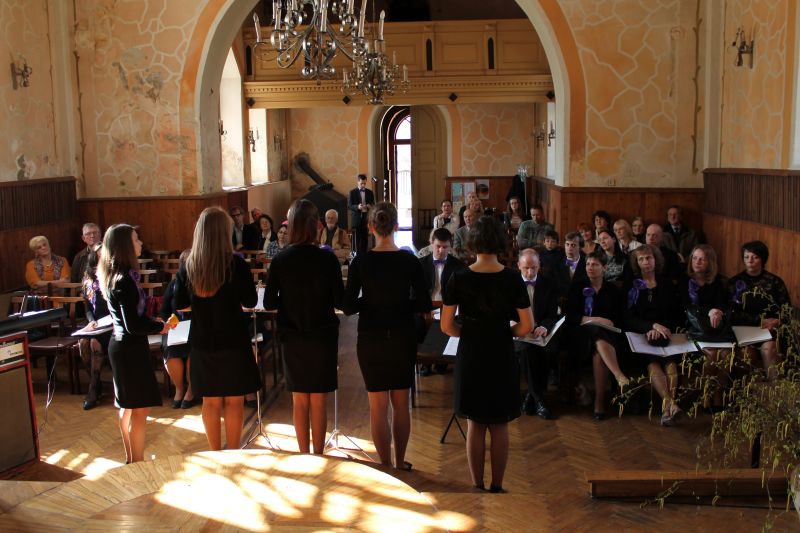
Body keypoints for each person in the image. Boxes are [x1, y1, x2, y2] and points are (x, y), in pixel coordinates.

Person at [441, 215, 533, 492]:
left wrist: (470, 332)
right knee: (499, 423)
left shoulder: (459, 277)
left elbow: (447, 326)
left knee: (475, 423)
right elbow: (526, 326)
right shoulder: (513, 278)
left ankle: (477, 484)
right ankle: (497, 485)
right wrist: (503, 333)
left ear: (473, 242)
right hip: (501, 352)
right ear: (501, 242)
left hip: (471, 352)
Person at [343, 202, 432, 471]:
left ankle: (384, 464)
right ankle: (399, 461)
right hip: (402, 336)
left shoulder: (361, 262)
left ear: (371, 227)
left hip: (371, 337)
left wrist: (370, 302)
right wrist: (401, 304)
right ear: (395, 226)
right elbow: (424, 303)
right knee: (401, 405)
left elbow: (348, 306)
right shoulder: (410, 261)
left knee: (378, 406)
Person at [174, 207, 260, 450]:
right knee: (234, 401)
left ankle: (215, 452)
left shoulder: (189, 266)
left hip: (203, 341)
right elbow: (250, 301)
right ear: (224, 233)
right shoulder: (236, 264)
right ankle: (232, 452)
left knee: (210, 402)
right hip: (234, 340)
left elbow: (179, 304)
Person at [265, 199, 344, 454]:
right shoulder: (327, 259)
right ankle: (318, 455)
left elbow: (268, 303)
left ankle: (303, 456)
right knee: (319, 400)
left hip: (293, 335)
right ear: (315, 226)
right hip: (322, 336)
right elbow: (340, 301)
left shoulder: (281, 260)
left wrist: (289, 299)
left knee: (299, 400)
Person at [98, 224, 170, 463]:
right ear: (125, 246)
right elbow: (133, 325)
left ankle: (131, 459)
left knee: (128, 407)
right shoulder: (125, 280)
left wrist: (152, 321)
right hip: (129, 349)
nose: (140, 243)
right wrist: (160, 327)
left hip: (122, 346)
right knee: (139, 409)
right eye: (136, 239)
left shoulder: (115, 275)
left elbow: (132, 318)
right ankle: (137, 462)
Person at [623, 245, 683, 426]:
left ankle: (667, 410)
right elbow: (628, 317)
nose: (645, 262)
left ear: (656, 260)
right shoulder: (632, 285)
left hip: (665, 335)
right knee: (653, 362)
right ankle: (670, 405)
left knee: (671, 363)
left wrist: (662, 328)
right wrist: (650, 327)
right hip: (642, 337)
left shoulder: (667, 284)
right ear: (637, 263)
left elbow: (676, 314)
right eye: (641, 259)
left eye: (648, 258)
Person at [564, 251, 628, 420]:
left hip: (607, 336)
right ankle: (617, 375)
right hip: (580, 335)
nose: (590, 268)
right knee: (596, 333)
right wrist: (595, 319)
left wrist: (610, 322)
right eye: (588, 264)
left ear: (604, 268)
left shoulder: (612, 290)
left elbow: (619, 318)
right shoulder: (577, 286)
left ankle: (599, 403)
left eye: (595, 264)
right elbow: (570, 316)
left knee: (599, 349)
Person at [728, 240, 791, 380]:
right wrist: (758, 320)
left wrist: (777, 321)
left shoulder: (775, 282)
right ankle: (744, 391)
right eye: (746, 257)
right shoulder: (735, 282)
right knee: (746, 354)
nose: (749, 261)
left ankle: (775, 388)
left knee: (769, 349)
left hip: (768, 331)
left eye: (755, 257)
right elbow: (731, 313)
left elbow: (787, 311)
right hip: (744, 332)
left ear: (763, 259)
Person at [679, 244, 729, 411]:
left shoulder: (716, 281)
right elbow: (686, 307)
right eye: (694, 258)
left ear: (710, 262)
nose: (697, 262)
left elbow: (722, 304)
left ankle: (718, 394)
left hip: (714, 328)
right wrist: (709, 311)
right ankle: (706, 393)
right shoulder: (685, 280)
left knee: (726, 355)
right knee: (712, 355)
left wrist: (718, 311)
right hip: (692, 327)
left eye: (702, 259)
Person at [513, 249, 559, 420]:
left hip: (541, 332)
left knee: (546, 350)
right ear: (519, 265)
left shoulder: (549, 284)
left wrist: (545, 327)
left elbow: (552, 314)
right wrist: (517, 326)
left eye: (534, 268)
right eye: (526, 268)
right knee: (527, 350)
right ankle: (538, 398)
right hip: (518, 332)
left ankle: (530, 396)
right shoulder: (511, 284)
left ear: (539, 266)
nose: (530, 272)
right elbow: (506, 313)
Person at [418, 227, 467, 376]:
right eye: (438, 246)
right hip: (427, 306)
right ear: (431, 244)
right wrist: (426, 308)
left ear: (450, 247)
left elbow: (461, 294)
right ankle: (425, 362)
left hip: (448, 307)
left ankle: (442, 361)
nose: (441, 250)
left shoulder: (458, 266)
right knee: (420, 322)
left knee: (450, 322)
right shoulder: (421, 264)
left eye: (445, 247)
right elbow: (416, 292)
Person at [160, 250, 196, 410]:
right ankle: (179, 389)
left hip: (195, 326)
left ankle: (191, 390)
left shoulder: (201, 283)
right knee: (170, 350)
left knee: (193, 349)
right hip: (176, 326)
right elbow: (164, 310)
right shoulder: (174, 284)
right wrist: (168, 322)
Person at [78, 244, 111, 410]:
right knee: (83, 343)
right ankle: (96, 383)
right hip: (97, 323)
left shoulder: (112, 275)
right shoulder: (88, 279)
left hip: (112, 323)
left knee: (94, 343)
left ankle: (93, 389)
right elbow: (88, 308)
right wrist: (91, 321)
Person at [552, 231, 587, 297]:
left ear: (580, 248)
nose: (569, 248)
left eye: (573, 245)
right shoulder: (556, 261)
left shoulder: (587, 262)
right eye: (567, 244)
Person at [348, 174, 375, 255]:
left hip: (366, 217)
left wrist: (370, 206)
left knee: (365, 238)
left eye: (364, 183)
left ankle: (364, 255)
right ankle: (356, 255)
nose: (363, 185)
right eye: (361, 183)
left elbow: (374, 204)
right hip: (356, 219)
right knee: (356, 239)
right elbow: (349, 206)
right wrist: (357, 207)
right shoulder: (352, 192)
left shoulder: (370, 192)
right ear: (358, 182)